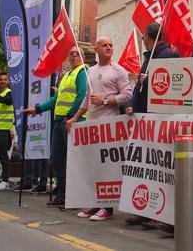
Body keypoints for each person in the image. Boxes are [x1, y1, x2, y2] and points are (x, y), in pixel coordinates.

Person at [66, 37, 132, 221]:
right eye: (104, 45)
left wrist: (105, 100)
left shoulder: (118, 70)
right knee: (93, 166)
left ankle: (107, 208)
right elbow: (88, 98)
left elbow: (127, 95)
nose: (109, 47)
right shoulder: (91, 71)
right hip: (92, 126)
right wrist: (75, 117)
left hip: (109, 125)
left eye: (111, 45)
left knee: (107, 167)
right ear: (96, 49)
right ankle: (95, 203)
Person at [125, 23, 179, 229]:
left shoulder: (170, 56)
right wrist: (131, 105)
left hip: (161, 122)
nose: (141, 40)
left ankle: (162, 213)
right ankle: (144, 210)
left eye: (142, 37)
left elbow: (174, 90)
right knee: (146, 169)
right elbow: (139, 87)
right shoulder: (149, 58)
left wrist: (152, 81)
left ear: (147, 36)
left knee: (163, 169)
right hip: (145, 122)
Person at [23, 47, 88, 207]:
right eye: (70, 53)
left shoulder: (83, 72)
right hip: (61, 122)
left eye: (77, 54)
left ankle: (73, 196)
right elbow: (55, 99)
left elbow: (82, 95)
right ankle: (63, 193)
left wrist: (72, 116)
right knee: (57, 159)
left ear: (83, 57)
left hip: (73, 122)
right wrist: (37, 109)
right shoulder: (66, 75)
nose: (73, 56)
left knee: (72, 161)